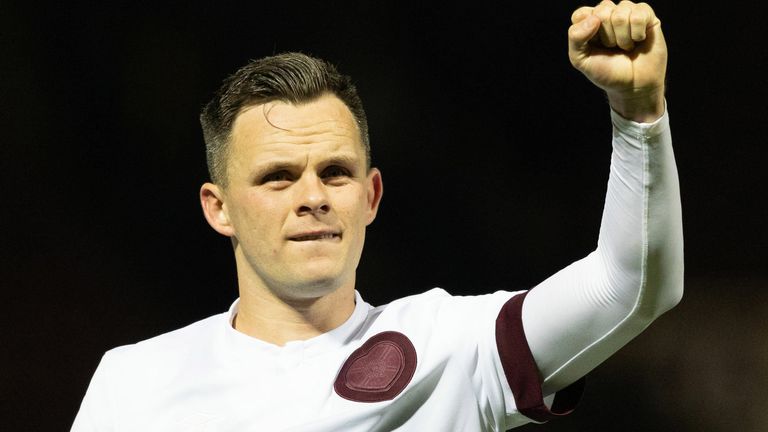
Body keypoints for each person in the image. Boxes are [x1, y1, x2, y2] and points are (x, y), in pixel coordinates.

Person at [71, 1, 683, 430]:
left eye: (335, 172)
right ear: (219, 208)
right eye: (277, 177)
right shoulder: (134, 383)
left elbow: (628, 286)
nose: (312, 195)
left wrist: (637, 115)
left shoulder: (451, 347)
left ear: (371, 195)